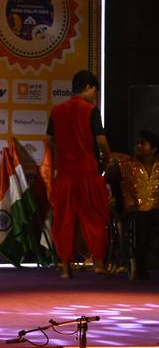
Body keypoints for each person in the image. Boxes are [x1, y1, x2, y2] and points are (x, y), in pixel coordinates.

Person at [46, 70, 111, 278]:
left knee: (63, 221)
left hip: (64, 176)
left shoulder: (56, 111)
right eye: (95, 91)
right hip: (87, 175)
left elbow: (50, 141)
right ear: (89, 88)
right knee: (94, 219)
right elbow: (101, 142)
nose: (95, 96)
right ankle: (99, 264)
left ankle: (65, 268)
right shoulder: (91, 110)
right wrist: (107, 158)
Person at [108, 131, 159, 280]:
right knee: (141, 220)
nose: (138, 146)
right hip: (134, 210)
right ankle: (140, 265)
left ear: (154, 149)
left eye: (143, 143)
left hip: (156, 209)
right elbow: (111, 183)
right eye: (137, 143)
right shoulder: (125, 165)